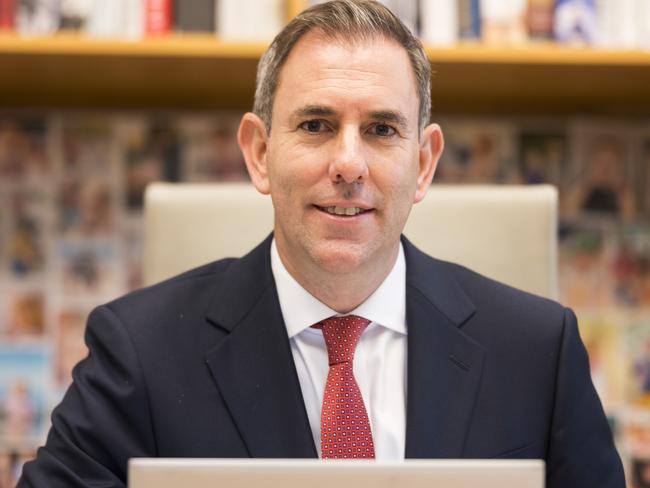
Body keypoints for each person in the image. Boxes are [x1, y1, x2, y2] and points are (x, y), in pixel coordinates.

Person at [19, 1, 624, 487]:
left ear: (423, 162)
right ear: (259, 152)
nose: (349, 163)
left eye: (382, 129)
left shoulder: (539, 350)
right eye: (316, 125)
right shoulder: (139, 352)